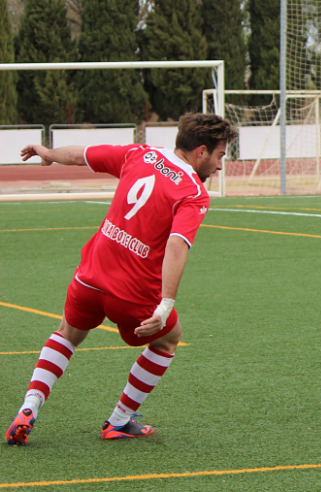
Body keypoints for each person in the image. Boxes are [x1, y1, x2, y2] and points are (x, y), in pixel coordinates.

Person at [6, 113, 238, 445]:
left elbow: (81, 155)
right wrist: (166, 303)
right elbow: (176, 245)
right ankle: (119, 419)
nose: (219, 166)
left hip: (89, 276)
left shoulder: (141, 153)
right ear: (200, 151)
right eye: (219, 156)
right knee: (168, 339)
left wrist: (48, 153)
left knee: (67, 334)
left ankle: (30, 405)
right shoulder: (193, 193)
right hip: (131, 295)